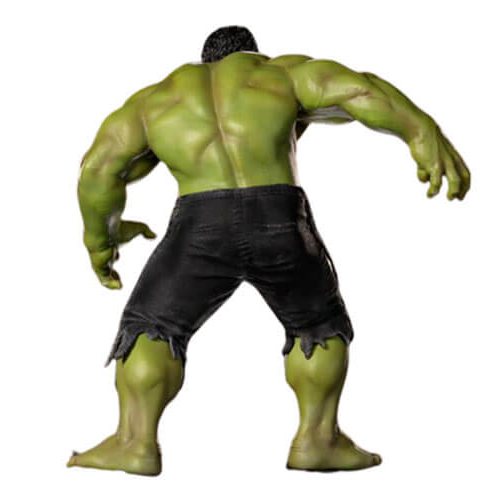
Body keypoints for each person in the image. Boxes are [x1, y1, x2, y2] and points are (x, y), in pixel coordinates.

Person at [69, 26, 470, 475]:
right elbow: (361, 89)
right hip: (278, 216)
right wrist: (421, 131)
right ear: (253, 54)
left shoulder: (155, 100)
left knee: (153, 325)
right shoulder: (280, 73)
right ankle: (317, 440)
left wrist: (101, 240)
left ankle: (135, 442)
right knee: (316, 322)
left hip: (200, 222)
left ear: (204, 61)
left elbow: (98, 169)